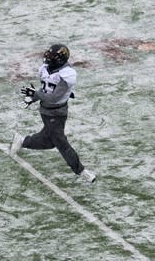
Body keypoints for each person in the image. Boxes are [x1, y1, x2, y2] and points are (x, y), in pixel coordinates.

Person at [11, 44, 97, 183]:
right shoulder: (45, 69)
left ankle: (22, 141)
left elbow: (54, 97)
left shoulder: (67, 74)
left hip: (59, 111)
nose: (48, 58)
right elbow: (45, 91)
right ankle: (81, 171)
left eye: (52, 56)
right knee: (61, 143)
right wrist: (32, 98)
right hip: (49, 113)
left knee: (50, 141)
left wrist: (35, 94)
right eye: (48, 55)